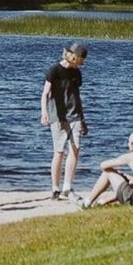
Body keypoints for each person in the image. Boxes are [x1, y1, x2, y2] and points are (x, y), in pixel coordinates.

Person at [41, 41, 89, 200]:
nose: (81, 64)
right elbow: (45, 94)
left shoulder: (76, 74)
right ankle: (55, 188)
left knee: (75, 149)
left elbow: (77, 96)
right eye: (80, 61)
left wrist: (82, 119)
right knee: (59, 152)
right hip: (57, 115)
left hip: (74, 114)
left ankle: (67, 186)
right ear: (73, 57)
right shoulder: (54, 70)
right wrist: (44, 113)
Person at [78, 129, 133, 207]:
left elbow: (103, 165)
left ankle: (87, 202)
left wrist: (117, 173)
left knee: (108, 173)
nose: (128, 145)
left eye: (129, 142)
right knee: (129, 183)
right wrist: (125, 176)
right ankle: (102, 202)